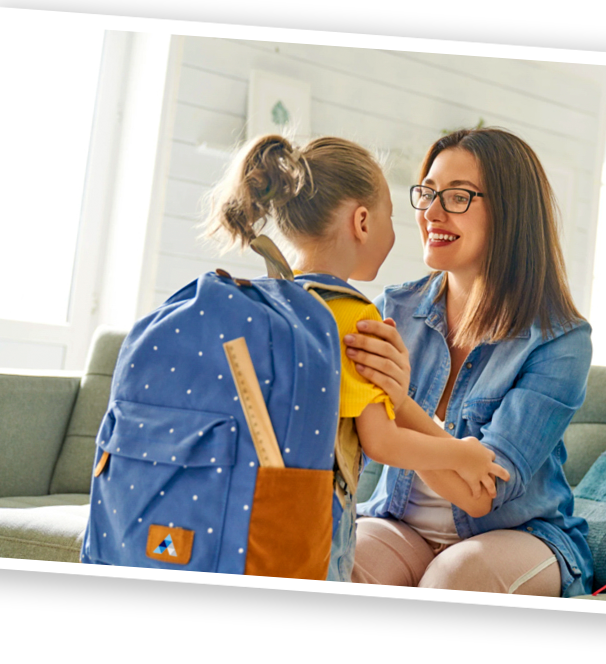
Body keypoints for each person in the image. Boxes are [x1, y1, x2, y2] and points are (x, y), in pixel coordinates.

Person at [200, 133, 510, 582]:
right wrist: (462, 454)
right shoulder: (352, 315)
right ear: (362, 222)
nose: (404, 226)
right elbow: (383, 442)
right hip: (314, 519)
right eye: (391, 215)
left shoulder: (264, 302)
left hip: (246, 504)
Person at [343, 127, 595, 597]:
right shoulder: (389, 311)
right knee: (341, 557)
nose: (431, 213)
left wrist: (401, 402)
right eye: (428, 194)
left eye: (457, 197)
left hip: (518, 536)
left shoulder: (561, 341)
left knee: (455, 577)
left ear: (510, 214)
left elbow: (482, 495)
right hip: (401, 526)